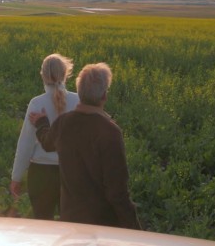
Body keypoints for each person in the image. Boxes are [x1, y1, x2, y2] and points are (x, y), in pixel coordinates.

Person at [30, 62, 142, 230]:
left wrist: (41, 124)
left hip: (71, 221)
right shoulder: (110, 132)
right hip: (102, 226)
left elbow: (47, 143)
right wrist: (135, 230)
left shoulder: (63, 123)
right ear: (104, 95)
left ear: (80, 92)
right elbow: (117, 192)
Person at [10, 53, 79, 220]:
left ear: (42, 75)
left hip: (41, 175)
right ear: (66, 73)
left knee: (42, 226)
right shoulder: (78, 101)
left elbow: (25, 144)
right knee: (70, 227)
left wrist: (16, 177)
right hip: (70, 174)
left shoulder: (37, 103)